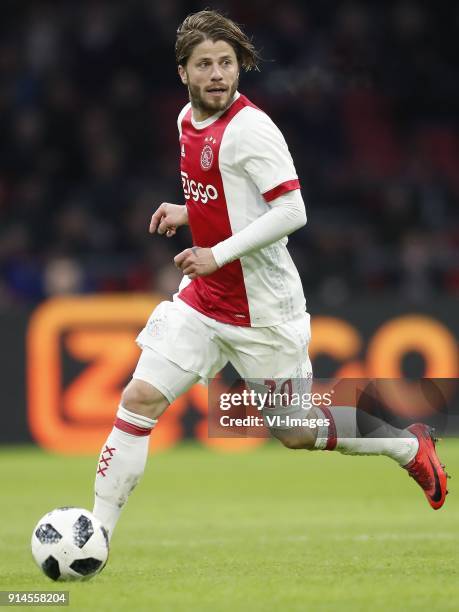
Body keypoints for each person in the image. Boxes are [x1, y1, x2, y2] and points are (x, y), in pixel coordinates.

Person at [93, 10, 448, 540]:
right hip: (203, 300)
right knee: (139, 398)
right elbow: (230, 197)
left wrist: (216, 253)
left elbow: (292, 211)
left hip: (262, 307)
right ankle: (95, 535)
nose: (217, 74)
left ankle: (408, 445)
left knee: (297, 431)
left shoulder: (251, 129)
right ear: (183, 73)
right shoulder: (186, 122)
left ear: (240, 69)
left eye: (226, 64)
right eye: (205, 64)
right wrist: (189, 211)